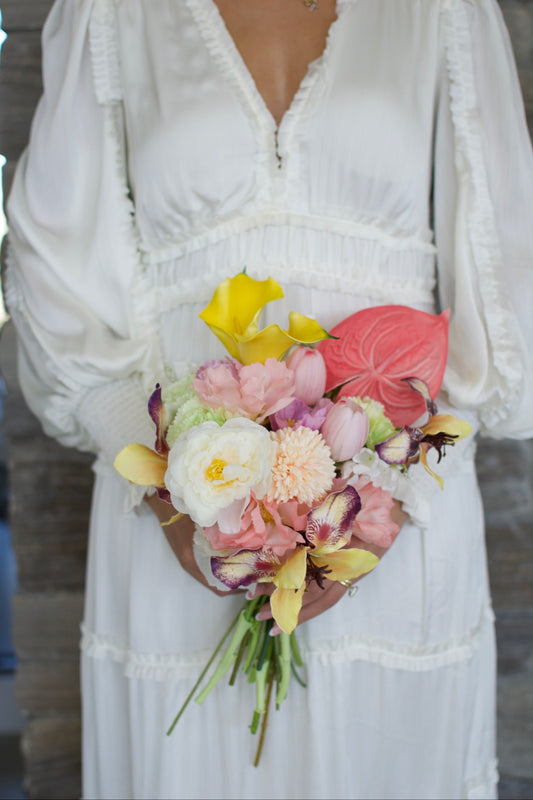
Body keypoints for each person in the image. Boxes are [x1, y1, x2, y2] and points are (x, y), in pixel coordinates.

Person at [5, 0, 533, 797]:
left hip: (397, 513)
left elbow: (502, 261)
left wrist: (377, 496)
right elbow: (55, 267)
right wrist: (172, 494)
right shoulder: (110, 12)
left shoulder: (444, 11)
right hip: (178, 518)